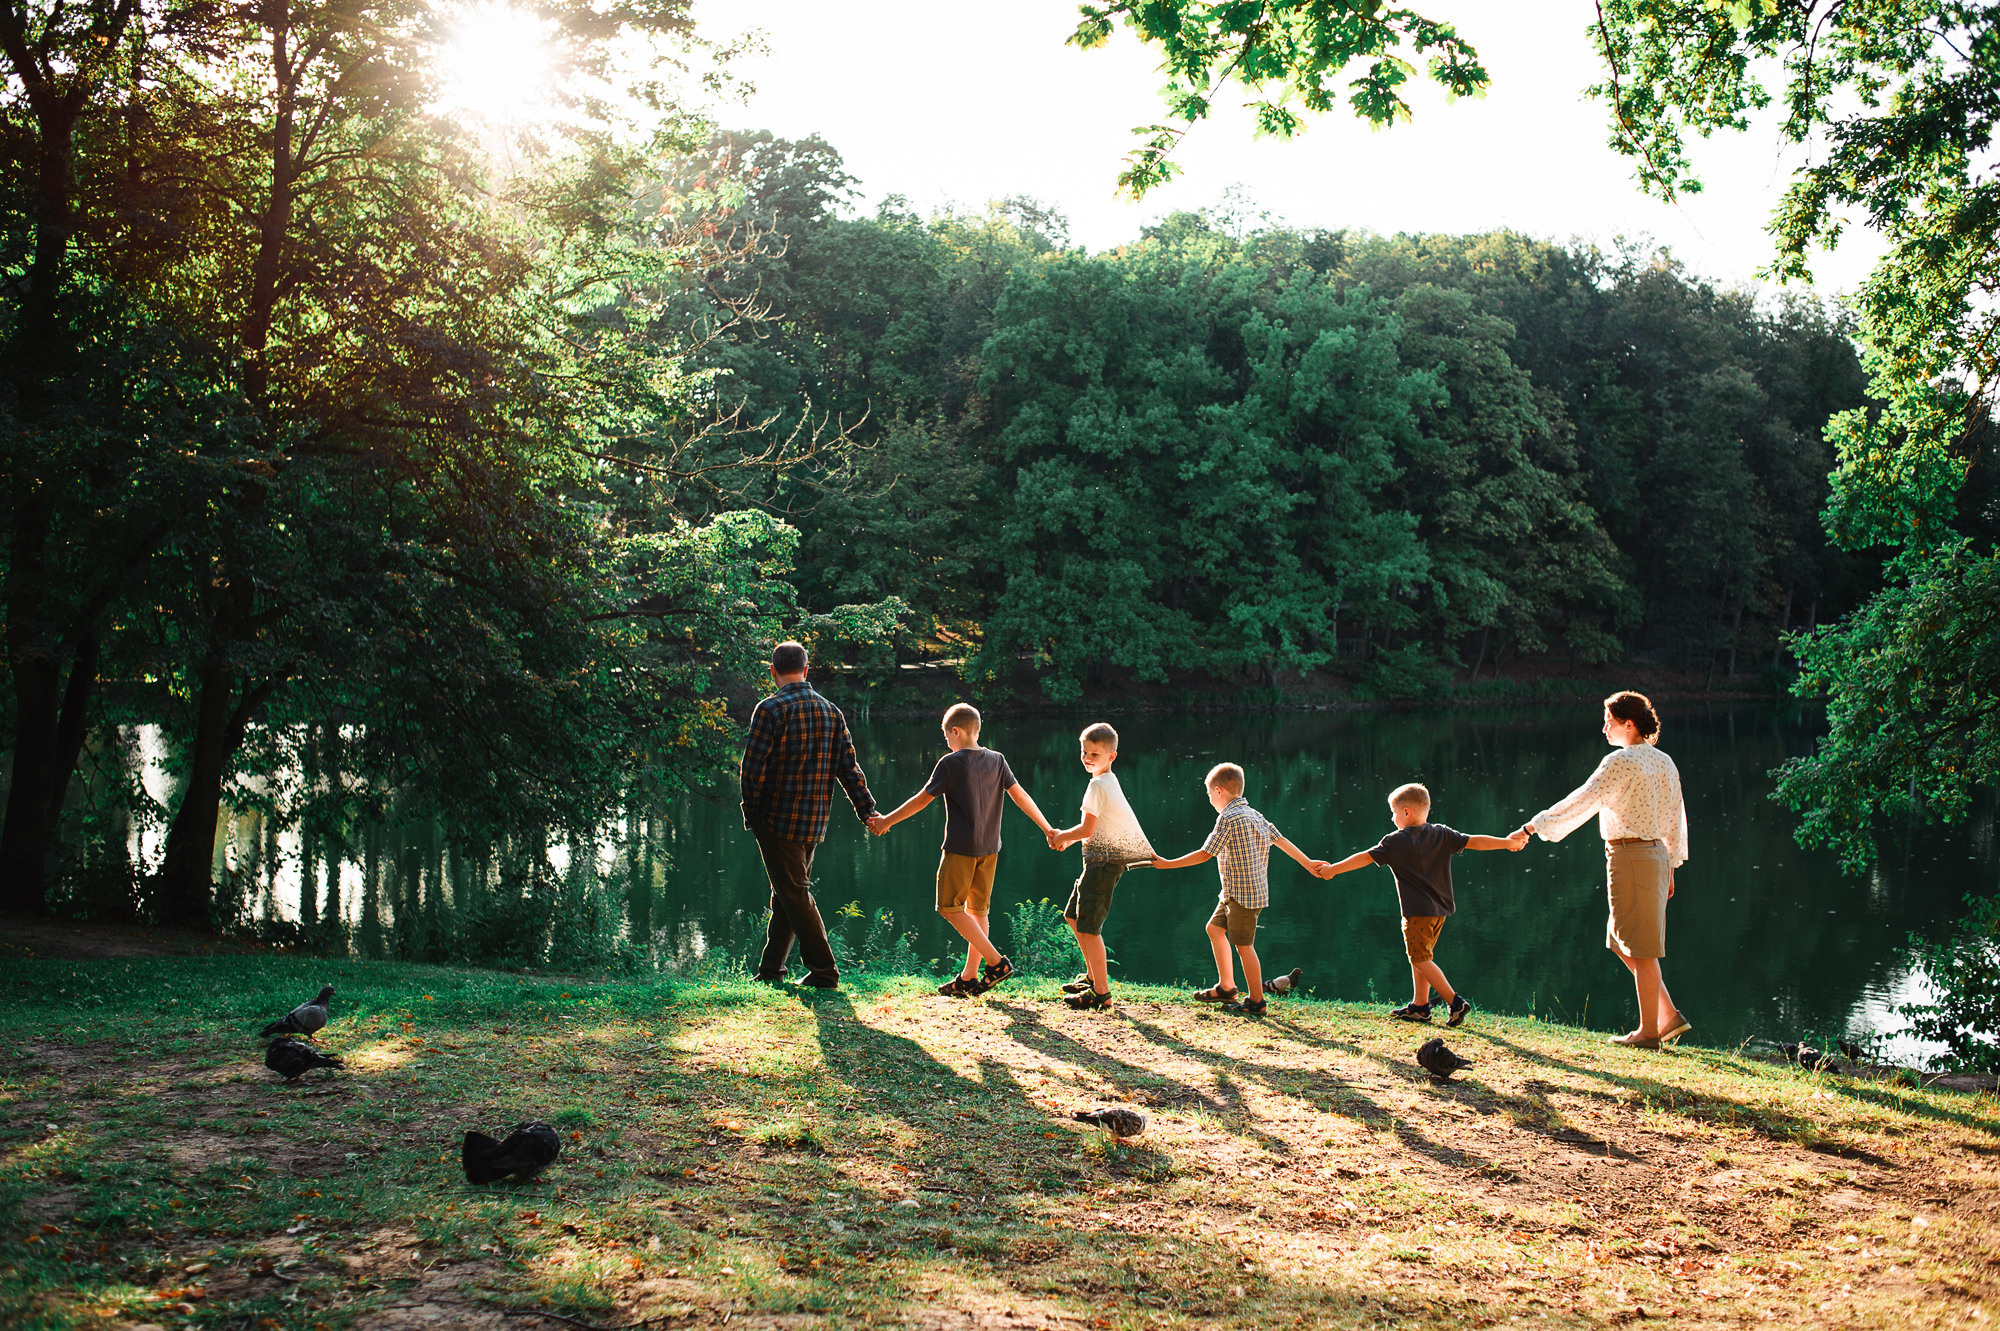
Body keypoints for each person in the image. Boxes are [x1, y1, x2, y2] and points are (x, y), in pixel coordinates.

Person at [1520, 690, 1691, 1048]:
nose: (1604, 729)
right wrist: (1671, 866)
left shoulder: (1621, 762)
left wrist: (1534, 826)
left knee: (1641, 949)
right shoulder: (1665, 762)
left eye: (1609, 722)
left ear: (1629, 724)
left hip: (1633, 856)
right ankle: (1668, 1016)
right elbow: (1676, 820)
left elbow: (1583, 799)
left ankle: (1649, 1033)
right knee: (1619, 938)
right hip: (1652, 856)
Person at [873, 703, 1057, 997]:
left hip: (960, 849)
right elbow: (1021, 797)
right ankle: (968, 978)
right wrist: (1048, 828)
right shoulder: (998, 759)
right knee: (978, 910)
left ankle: (997, 962)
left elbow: (922, 800)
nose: (946, 741)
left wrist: (886, 822)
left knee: (950, 908)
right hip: (990, 850)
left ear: (956, 731)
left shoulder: (950, 763)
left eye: (946, 735)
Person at [1316, 782, 1527, 1025]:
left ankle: (1454, 1002)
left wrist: (1333, 870)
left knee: (1419, 958)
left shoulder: (1394, 842)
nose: (1393, 818)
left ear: (1407, 812)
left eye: (1394, 813)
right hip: (1440, 911)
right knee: (1422, 956)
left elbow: (1364, 858)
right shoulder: (1443, 834)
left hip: (1417, 912)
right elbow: (1475, 841)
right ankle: (1420, 1006)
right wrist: (1507, 842)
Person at [738, 640, 883, 989]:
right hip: (814, 821)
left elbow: (751, 770)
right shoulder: (832, 711)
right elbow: (849, 769)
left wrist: (751, 813)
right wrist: (867, 810)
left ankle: (824, 972)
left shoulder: (769, 709)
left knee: (794, 892)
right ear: (806, 670)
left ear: (773, 671)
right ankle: (771, 971)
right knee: (786, 892)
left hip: (776, 820)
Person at [1152, 762, 1327, 1017]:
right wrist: (1307, 862)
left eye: (1209, 793)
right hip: (1236, 893)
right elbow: (1280, 840)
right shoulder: (1254, 814)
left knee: (1244, 946)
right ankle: (1226, 987)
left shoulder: (1228, 818)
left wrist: (1169, 864)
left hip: (1243, 896)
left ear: (1220, 791)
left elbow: (1205, 854)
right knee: (1214, 929)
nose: (1209, 798)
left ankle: (1256, 1000)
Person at [1047, 722, 1155, 1011]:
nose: (1087, 758)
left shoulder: (1098, 784)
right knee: (1073, 916)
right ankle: (1093, 977)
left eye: (1094, 753)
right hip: (1098, 862)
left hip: (1103, 864)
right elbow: (1096, 828)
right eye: (1084, 752)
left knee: (1090, 927)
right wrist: (1071, 842)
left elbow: (1086, 828)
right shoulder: (1107, 780)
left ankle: (1101, 993)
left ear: (1111, 756)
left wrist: (1061, 836)